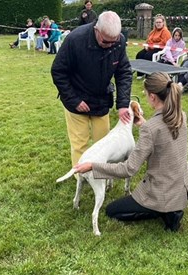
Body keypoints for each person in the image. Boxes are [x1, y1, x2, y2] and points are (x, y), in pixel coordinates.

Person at [74, 72, 188, 232]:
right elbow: (164, 135)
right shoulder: (181, 115)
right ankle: (171, 209)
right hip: (186, 182)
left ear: (153, 97)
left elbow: (128, 169)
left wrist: (93, 166)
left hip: (162, 191)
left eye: (146, 95)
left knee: (112, 211)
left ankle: (164, 211)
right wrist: (146, 124)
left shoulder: (150, 129)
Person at [51, 11, 132, 168]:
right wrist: (74, 99)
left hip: (101, 99)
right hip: (76, 99)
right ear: (97, 29)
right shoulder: (74, 39)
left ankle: (101, 174)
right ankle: (81, 177)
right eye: (106, 41)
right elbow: (58, 71)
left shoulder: (119, 42)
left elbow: (124, 73)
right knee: (79, 144)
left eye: (113, 42)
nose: (110, 45)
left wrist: (123, 104)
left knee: (104, 143)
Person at [135, 14, 171, 79]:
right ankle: (140, 73)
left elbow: (164, 43)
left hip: (159, 49)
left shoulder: (165, 32)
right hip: (150, 48)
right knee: (139, 55)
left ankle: (148, 74)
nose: (158, 24)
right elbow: (148, 40)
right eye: (157, 22)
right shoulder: (153, 31)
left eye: (160, 22)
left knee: (148, 56)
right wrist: (146, 45)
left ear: (163, 23)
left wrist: (152, 46)